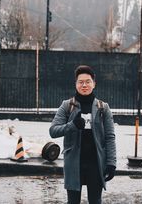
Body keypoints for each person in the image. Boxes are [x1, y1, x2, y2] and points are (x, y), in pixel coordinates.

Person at [49, 65, 116, 204]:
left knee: (95, 201)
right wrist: (72, 125)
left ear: (94, 84)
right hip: (74, 163)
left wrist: (111, 163)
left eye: (88, 81)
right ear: (76, 84)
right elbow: (53, 131)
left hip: (96, 164)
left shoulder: (103, 108)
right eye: (80, 82)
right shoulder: (67, 106)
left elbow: (110, 137)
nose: (84, 85)